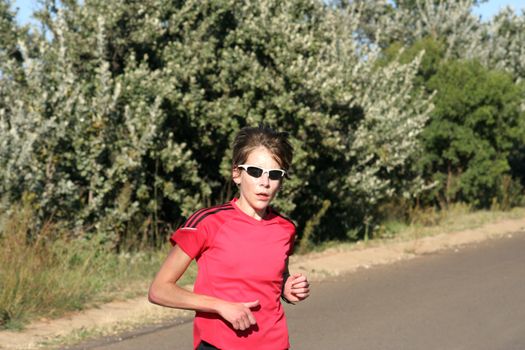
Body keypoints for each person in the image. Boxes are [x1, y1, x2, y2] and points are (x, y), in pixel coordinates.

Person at [148, 125, 310, 350]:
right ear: (237, 173)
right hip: (219, 345)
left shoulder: (285, 228)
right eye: (254, 171)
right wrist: (220, 306)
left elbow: (276, 276)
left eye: (274, 174)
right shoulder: (207, 222)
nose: (265, 182)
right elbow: (159, 290)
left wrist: (287, 288)